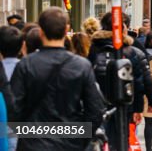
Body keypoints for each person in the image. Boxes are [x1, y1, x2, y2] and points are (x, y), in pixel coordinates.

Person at [9, 8, 105, 151]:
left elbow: (14, 109)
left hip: (33, 142)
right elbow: (95, 110)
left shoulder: (26, 65)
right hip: (69, 141)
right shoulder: (81, 66)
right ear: (66, 30)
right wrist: (80, 137)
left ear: (41, 31)